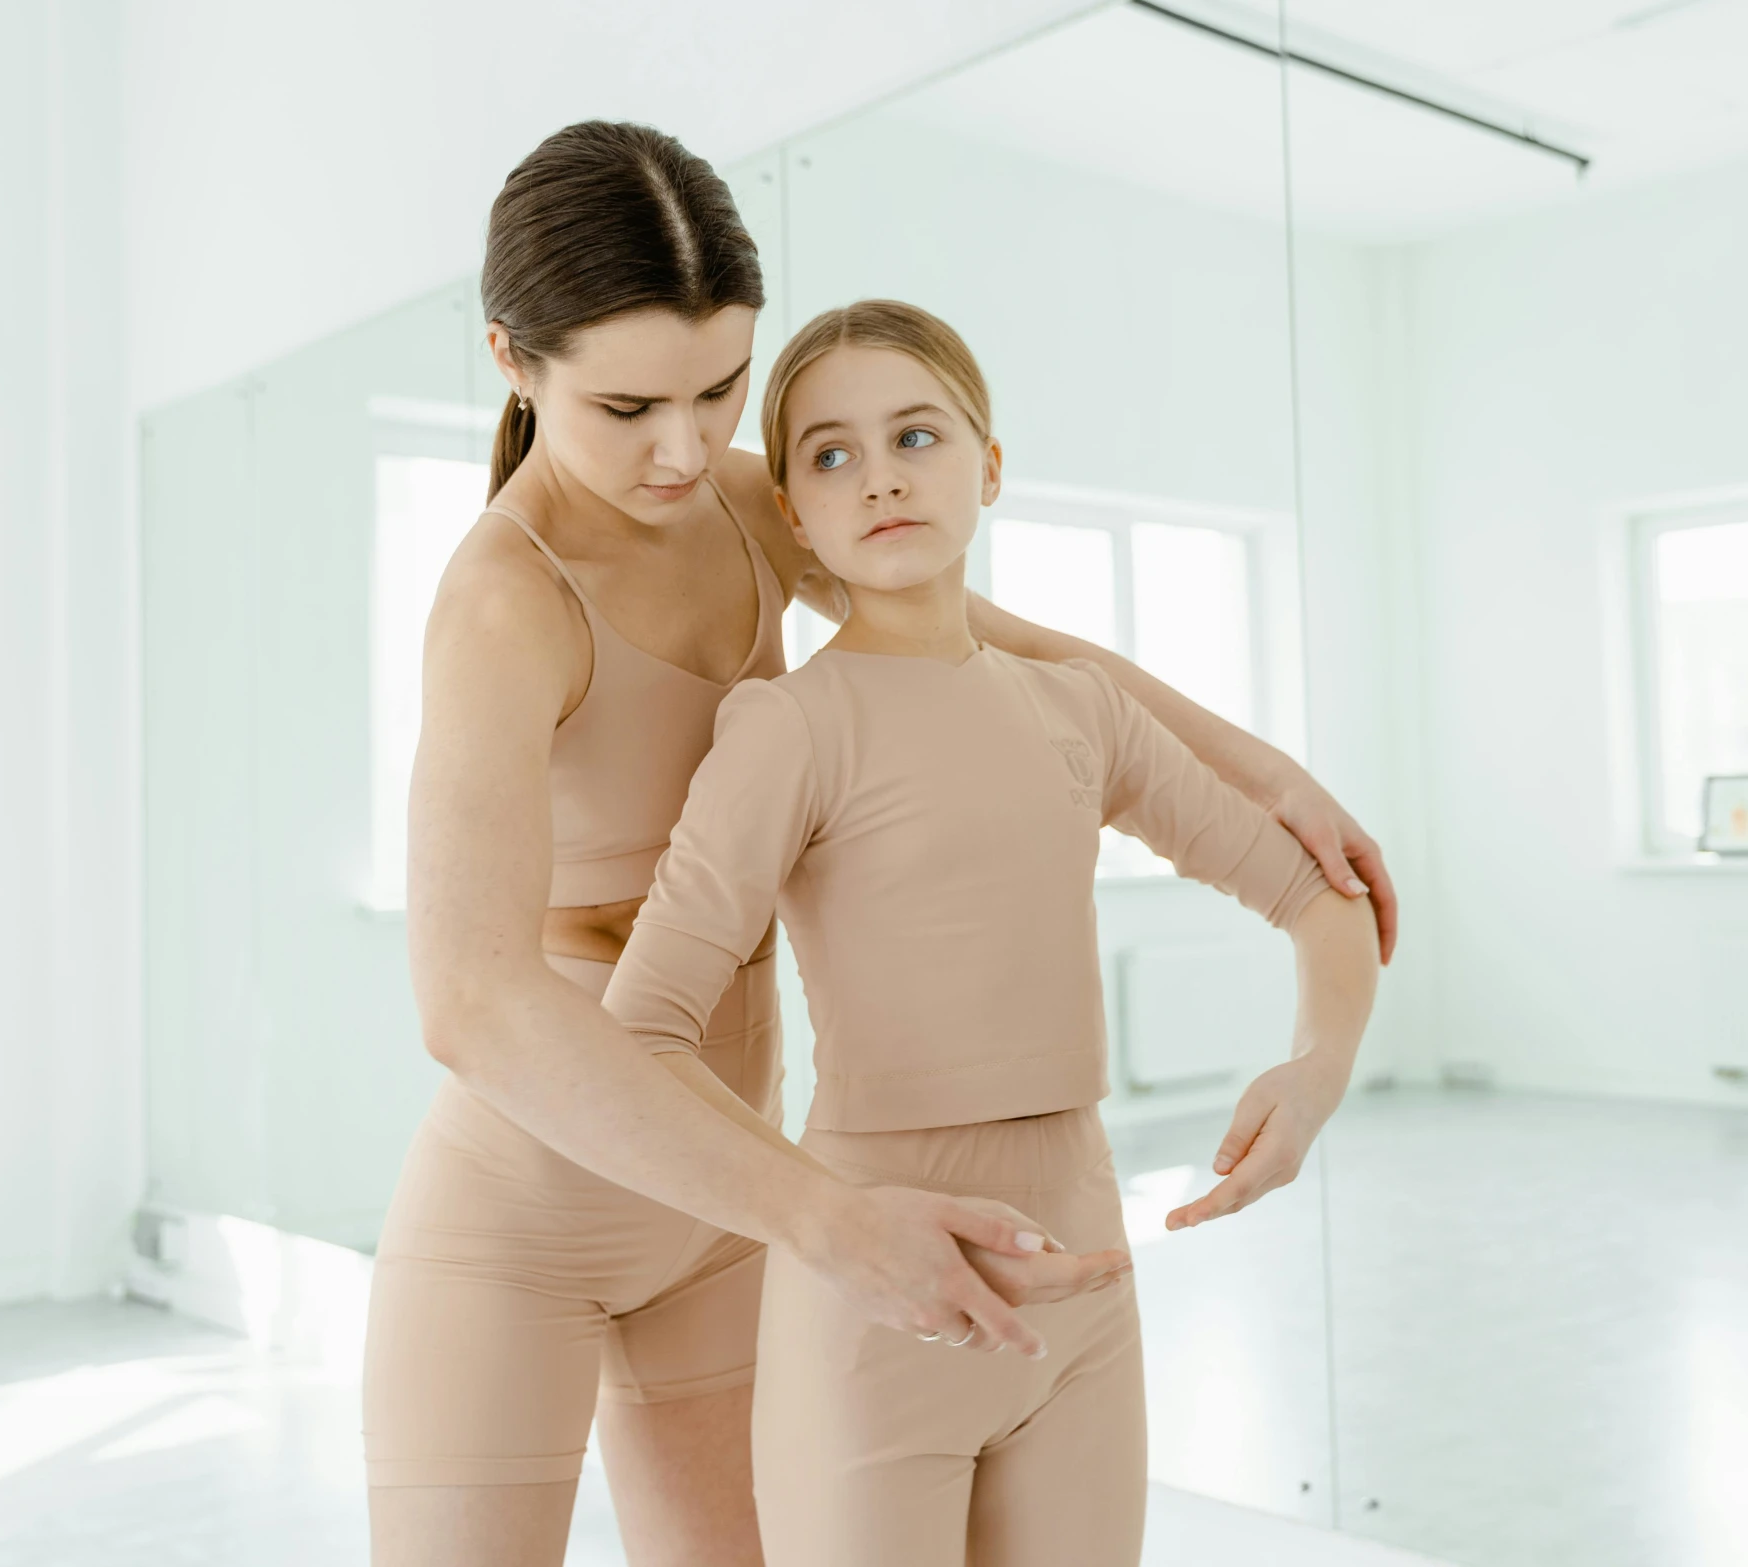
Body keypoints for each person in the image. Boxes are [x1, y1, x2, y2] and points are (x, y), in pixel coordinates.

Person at [363, 121, 1397, 1567]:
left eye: (720, 385)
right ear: (511, 361)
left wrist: (1259, 770)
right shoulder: (500, 601)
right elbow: (467, 997)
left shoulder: (742, 498)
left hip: (736, 1201)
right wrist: (830, 1219)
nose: (682, 444)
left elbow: (999, 645)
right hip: (533, 1215)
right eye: (627, 406)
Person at [600, 298, 1382, 1566]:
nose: (881, 477)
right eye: (831, 454)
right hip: (872, 1309)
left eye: (917, 435)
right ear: (793, 511)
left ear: (991, 467)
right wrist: (818, 1220)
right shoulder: (788, 729)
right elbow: (637, 1037)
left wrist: (1318, 1068)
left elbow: (1317, 894)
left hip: (1083, 1278)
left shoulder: (1080, 711)